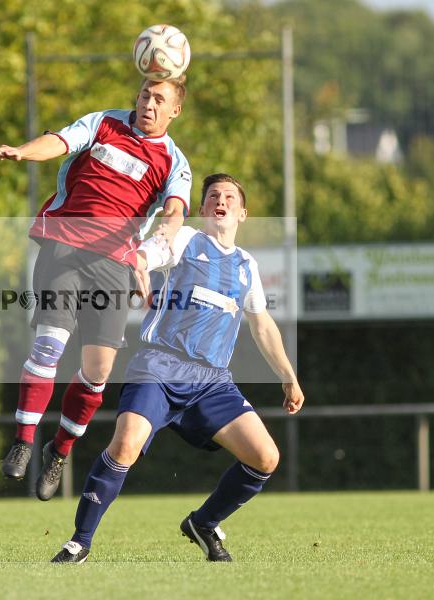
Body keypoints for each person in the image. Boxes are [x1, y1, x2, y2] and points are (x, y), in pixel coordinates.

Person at [50, 173, 305, 563]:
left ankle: (203, 524)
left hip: (212, 383)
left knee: (265, 457)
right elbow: (151, 251)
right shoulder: (186, 239)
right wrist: (138, 264)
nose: (221, 200)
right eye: (213, 196)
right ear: (203, 209)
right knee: (125, 446)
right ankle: (79, 542)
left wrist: (288, 376)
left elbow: (262, 325)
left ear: (243, 213)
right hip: (159, 366)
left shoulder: (246, 265)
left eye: (230, 197)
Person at [0, 77, 192, 500]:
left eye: (159, 100)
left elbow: (174, 211)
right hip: (63, 245)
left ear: (175, 110)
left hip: (114, 263)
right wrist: (23, 151)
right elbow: (60, 141)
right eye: (143, 95)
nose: (148, 104)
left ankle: (59, 449)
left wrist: (155, 246)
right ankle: (24, 440)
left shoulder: (174, 161)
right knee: (49, 346)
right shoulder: (103, 123)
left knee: (98, 372)